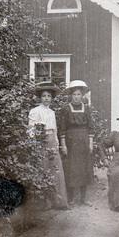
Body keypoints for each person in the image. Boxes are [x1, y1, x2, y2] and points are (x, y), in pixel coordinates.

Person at [28, 81, 68, 210]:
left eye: (49, 96)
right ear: (40, 97)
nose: (46, 99)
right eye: (44, 96)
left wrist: (56, 142)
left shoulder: (52, 112)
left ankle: (58, 201)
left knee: (55, 168)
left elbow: (55, 129)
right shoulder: (35, 111)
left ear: (52, 98)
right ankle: (44, 203)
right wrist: (34, 142)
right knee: (43, 167)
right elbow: (31, 129)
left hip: (51, 141)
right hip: (41, 140)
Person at [58, 80, 94, 207]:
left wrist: (90, 143)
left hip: (83, 141)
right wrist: (63, 144)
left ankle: (83, 198)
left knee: (84, 168)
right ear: (71, 96)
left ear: (82, 95)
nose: (76, 97)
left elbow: (90, 127)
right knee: (71, 169)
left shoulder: (87, 109)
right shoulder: (65, 109)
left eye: (79, 94)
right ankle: (71, 197)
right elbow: (62, 128)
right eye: (74, 95)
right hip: (70, 141)